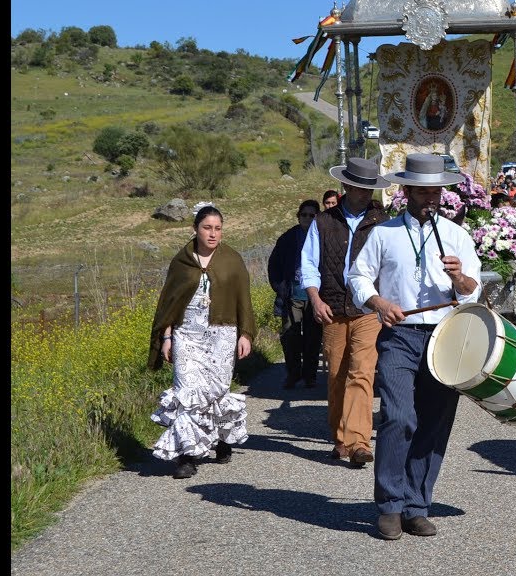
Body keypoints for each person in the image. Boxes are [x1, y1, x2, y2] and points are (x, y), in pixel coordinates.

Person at [346, 153, 482, 541]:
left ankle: (416, 505)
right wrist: (379, 304)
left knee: (435, 422)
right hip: (400, 335)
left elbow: (474, 293)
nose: (429, 198)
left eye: (434, 191)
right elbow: (358, 278)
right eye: (422, 191)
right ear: (406, 191)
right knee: (399, 416)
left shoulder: (457, 236)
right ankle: (389, 504)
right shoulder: (385, 234)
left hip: (446, 336)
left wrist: (461, 280)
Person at [148, 203, 256, 479]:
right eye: (207, 228)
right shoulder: (181, 262)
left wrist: (245, 333)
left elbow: (244, 298)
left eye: (217, 229)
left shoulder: (232, 259)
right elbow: (169, 303)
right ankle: (187, 455)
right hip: (187, 335)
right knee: (187, 393)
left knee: (216, 391)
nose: (212, 234)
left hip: (222, 333)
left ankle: (221, 439)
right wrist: (167, 337)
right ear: (195, 229)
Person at [301, 158, 390, 467]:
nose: (365, 193)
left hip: (368, 308)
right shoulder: (324, 222)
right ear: (346, 186)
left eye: (370, 188)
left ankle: (359, 442)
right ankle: (341, 439)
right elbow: (309, 264)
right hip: (333, 306)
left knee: (361, 371)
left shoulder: (383, 222)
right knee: (337, 375)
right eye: (360, 187)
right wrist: (315, 299)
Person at [268, 200, 322, 388]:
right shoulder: (287, 238)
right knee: (290, 335)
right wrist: (281, 288)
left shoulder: (322, 237)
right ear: (298, 216)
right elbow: (274, 265)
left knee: (312, 337)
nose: (307, 218)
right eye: (304, 215)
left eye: (312, 215)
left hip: (315, 297)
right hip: (293, 295)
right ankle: (293, 373)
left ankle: (310, 375)